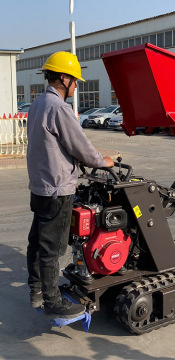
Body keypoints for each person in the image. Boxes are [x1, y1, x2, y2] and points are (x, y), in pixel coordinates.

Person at [26, 51, 114, 320]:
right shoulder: (60, 108)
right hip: (58, 188)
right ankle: (53, 301)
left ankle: (37, 290)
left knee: (37, 243)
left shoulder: (38, 103)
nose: (76, 85)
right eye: (75, 80)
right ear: (63, 78)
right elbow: (81, 148)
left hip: (40, 187)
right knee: (53, 248)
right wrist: (104, 161)